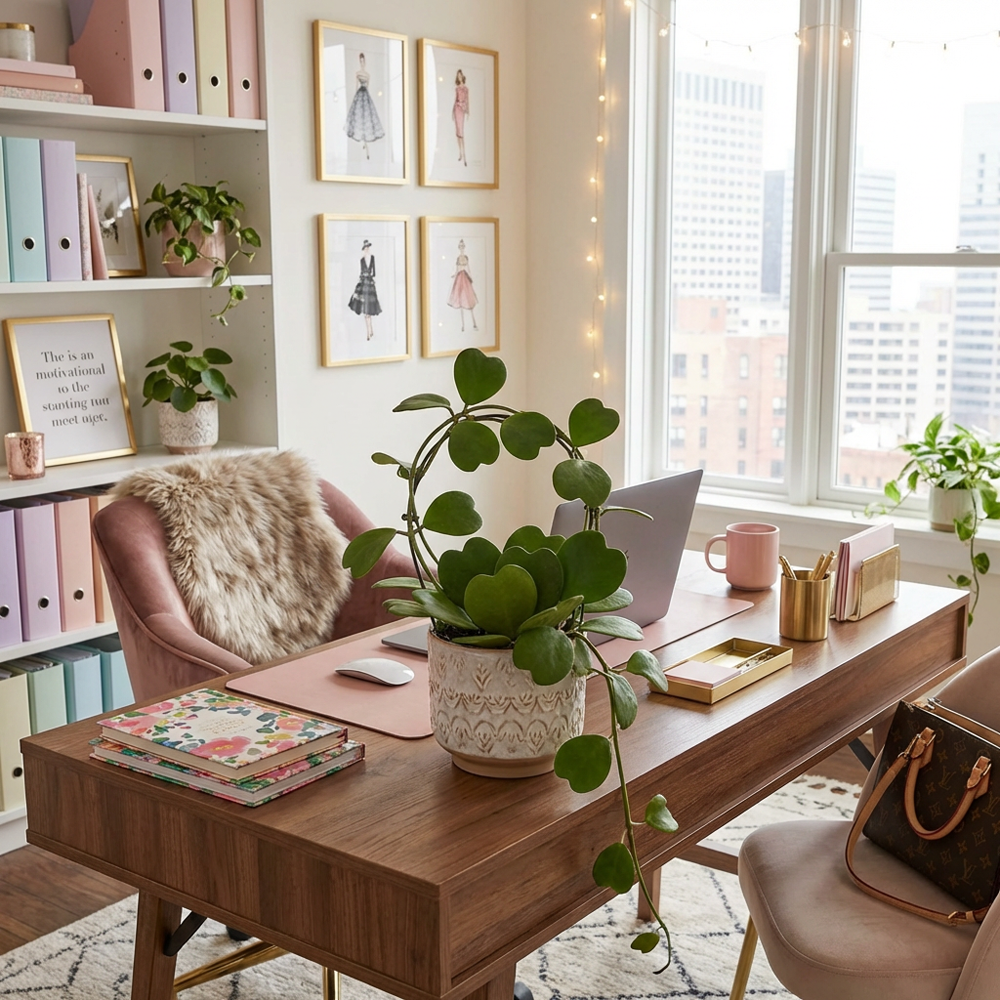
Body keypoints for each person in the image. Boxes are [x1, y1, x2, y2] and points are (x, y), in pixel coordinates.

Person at [343, 53, 385, 160]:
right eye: (360, 61)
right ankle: (363, 146)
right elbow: (356, 86)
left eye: (363, 61)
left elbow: (368, 86)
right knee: (358, 117)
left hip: (365, 95)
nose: (362, 63)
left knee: (368, 117)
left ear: (364, 62)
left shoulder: (367, 75)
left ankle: (366, 146)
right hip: (359, 94)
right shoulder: (357, 74)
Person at [348, 240, 381, 340]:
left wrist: (368, 277)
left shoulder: (372, 258)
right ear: (364, 249)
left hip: (370, 285)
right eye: (365, 248)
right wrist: (363, 277)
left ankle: (370, 331)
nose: (367, 249)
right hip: (363, 284)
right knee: (365, 311)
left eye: (368, 247)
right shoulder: (362, 260)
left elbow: (374, 272)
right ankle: (369, 332)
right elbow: (361, 272)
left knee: (368, 311)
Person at [447, 239, 478, 332]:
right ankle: (463, 325)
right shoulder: (458, 258)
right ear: (459, 248)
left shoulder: (466, 257)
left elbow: (468, 268)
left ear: (464, 247)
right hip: (460, 278)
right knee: (460, 300)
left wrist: (471, 277)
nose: (461, 248)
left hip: (465, 277)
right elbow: (456, 269)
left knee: (469, 299)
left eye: (463, 246)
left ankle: (474, 323)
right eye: (460, 246)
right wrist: (453, 274)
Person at [452, 69, 469, 166]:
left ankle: (465, 156)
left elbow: (467, 101)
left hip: (462, 111)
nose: (459, 77)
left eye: (460, 75)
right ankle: (460, 153)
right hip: (457, 110)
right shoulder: (457, 89)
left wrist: (467, 110)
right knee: (458, 133)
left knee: (461, 133)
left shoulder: (466, 89)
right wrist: (453, 112)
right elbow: (455, 100)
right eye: (458, 76)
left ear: (462, 76)